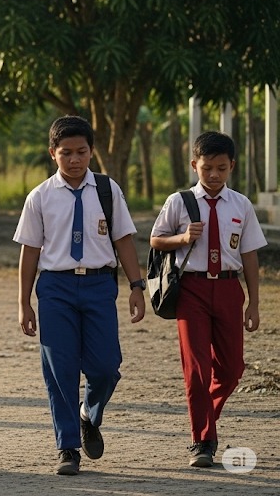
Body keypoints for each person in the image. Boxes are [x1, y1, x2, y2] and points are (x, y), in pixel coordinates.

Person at [13, 115, 146, 476]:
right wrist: (24, 302)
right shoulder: (39, 197)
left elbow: (123, 240)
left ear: (92, 152)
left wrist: (137, 286)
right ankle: (67, 447)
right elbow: (30, 252)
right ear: (52, 153)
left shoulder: (107, 189)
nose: (74, 159)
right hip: (55, 288)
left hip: (100, 285)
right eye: (66, 152)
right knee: (61, 370)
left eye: (82, 152)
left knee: (105, 367)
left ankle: (89, 412)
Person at [149, 131, 266, 468]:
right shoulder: (180, 201)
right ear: (194, 165)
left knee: (231, 370)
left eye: (221, 168)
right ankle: (202, 441)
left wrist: (253, 303)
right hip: (192, 290)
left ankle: (207, 417)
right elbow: (156, 240)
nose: (213, 175)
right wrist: (183, 237)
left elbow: (250, 256)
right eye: (206, 168)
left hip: (229, 289)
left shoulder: (241, 205)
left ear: (231, 166)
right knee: (197, 368)